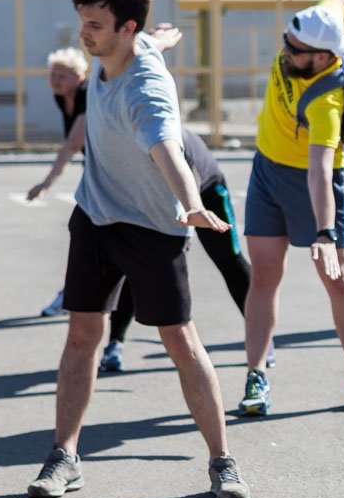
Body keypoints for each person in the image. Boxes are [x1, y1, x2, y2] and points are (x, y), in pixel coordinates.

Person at [27, 0, 251, 498]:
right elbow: (156, 36)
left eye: (95, 24)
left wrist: (193, 204)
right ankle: (64, 457)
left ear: (124, 28)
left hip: (152, 226)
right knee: (83, 333)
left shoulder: (146, 88)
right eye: (82, 20)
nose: (84, 33)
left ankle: (223, 462)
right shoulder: (128, 45)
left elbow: (167, 149)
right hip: (96, 216)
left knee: (179, 340)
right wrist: (164, 34)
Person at [238, 0, 344, 418]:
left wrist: (324, 234)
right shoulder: (318, 24)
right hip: (267, 170)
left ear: (324, 57)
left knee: (338, 279)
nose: (286, 52)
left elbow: (321, 171)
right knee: (263, 276)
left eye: (297, 50)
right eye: (287, 41)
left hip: (313, 184)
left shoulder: (327, 98)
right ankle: (256, 376)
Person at [99, 128, 254, 372]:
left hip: (206, 193)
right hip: (158, 197)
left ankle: (261, 339)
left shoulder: (173, 146)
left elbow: (188, 210)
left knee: (229, 260)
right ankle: (114, 343)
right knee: (134, 266)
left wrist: (176, 242)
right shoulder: (130, 141)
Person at [30, 47, 88, 317]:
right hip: (98, 170)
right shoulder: (63, 97)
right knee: (86, 234)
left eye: (62, 75)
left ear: (79, 76)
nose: (55, 80)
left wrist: (46, 183)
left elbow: (71, 145)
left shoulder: (87, 96)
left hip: (115, 173)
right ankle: (75, 295)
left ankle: (73, 296)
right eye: (53, 75)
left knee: (84, 232)